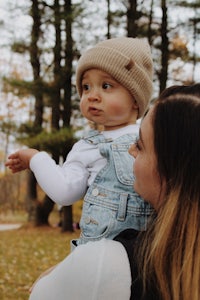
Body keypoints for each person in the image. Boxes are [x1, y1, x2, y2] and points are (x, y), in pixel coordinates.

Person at [28, 90, 200, 300]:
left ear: (169, 168)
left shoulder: (106, 265)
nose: (130, 151)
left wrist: (79, 269)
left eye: (140, 145)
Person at [6, 37, 154, 246]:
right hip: (99, 257)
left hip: (153, 255)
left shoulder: (154, 138)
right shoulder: (87, 147)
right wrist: (36, 159)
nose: (92, 95)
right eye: (86, 87)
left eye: (106, 85)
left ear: (135, 98)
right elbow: (64, 192)